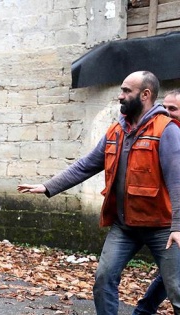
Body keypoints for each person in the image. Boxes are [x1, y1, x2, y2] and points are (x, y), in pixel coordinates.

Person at [17, 71, 180, 315]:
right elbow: (87, 164)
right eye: (121, 90)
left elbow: (177, 180)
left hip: (162, 227)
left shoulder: (166, 130)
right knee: (104, 280)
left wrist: (178, 225)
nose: (120, 96)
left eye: (127, 91)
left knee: (176, 289)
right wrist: (48, 186)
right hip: (125, 226)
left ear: (145, 95)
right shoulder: (116, 130)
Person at [132, 88, 180, 315]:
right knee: (173, 272)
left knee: (173, 272)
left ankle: (143, 310)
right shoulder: (165, 133)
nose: (167, 113)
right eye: (166, 107)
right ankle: (143, 310)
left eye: (174, 109)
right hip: (171, 214)